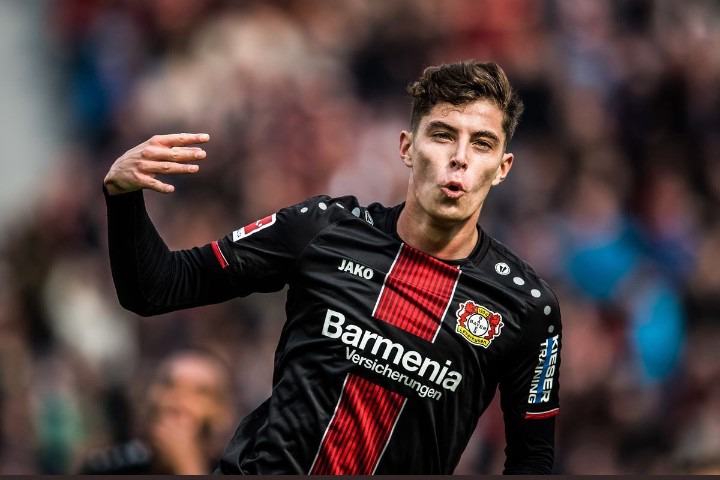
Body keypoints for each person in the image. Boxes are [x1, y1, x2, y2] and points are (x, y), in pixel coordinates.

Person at [103, 59, 562, 474]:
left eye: (481, 143)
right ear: (407, 147)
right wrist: (124, 198)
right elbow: (155, 288)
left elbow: (532, 459)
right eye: (442, 135)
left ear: (502, 167)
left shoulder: (526, 306)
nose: (459, 157)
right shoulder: (322, 229)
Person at [78, 348, 236, 474]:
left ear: (223, 413)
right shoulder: (107, 467)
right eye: (169, 384)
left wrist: (188, 467)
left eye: (200, 392)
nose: (179, 401)